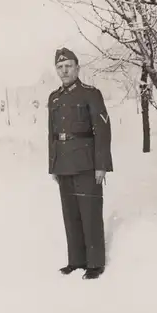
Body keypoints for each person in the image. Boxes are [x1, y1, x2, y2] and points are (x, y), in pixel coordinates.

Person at [47, 47, 113, 280]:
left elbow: (102, 130)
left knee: (90, 212)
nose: (64, 71)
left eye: (68, 66)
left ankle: (95, 264)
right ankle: (76, 260)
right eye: (60, 67)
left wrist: (101, 165)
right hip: (63, 163)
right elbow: (51, 133)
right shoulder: (54, 98)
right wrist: (52, 165)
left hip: (86, 162)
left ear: (77, 68)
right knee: (70, 213)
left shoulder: (90, 94)